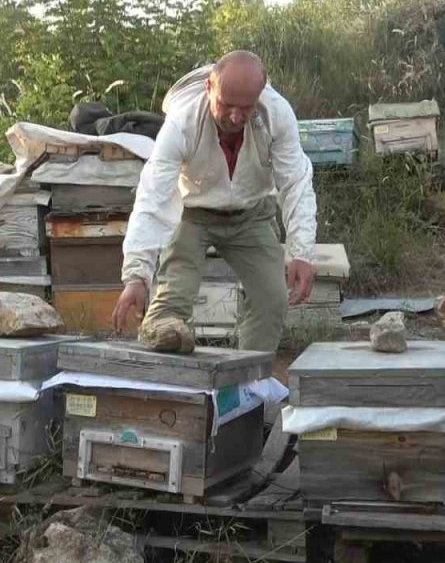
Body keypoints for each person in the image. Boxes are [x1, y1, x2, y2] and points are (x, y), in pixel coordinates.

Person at [111, 50, 319, 352]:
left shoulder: (278, 114)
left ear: (259, 98)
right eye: (226, 105)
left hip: (251, 215)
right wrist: (136, 275)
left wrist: (301, 252)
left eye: (245, 108)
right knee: (171, 306)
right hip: (192, 214)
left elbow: (296, 182)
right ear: (210, 88)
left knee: (273, 298)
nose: (235, 117)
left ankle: (248, 385)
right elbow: (152, 198)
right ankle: (161, 391)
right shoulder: (182, 122)